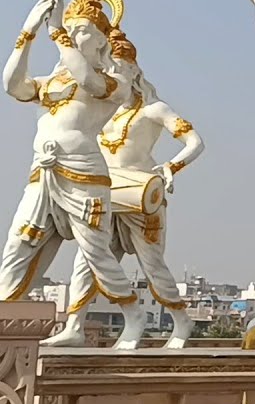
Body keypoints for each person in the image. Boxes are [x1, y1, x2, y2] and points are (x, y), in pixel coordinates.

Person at [0, 0, 146, 349]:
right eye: (72, 28)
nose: (74, 35)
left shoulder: (113, 81)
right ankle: (6, 312)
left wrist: (56, 32)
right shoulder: (56, 80)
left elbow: (87, 79)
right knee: (18, 244)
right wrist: (28, 31)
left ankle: (133, 313)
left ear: (101, 42)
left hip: (83, 176)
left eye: (83, 30)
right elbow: (13, 86)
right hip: (44, 173)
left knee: (96, 255)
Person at [42, 32, 203, 348]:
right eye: (107, 68)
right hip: (104, 192)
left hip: (141, 196)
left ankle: (181, 322)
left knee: (151, 265)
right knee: (87, 260)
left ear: (133, 70)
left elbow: (195, 142)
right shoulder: (100, 108)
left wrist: (172, 166)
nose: (112, 74)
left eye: (118, 68)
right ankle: (75, 325)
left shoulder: (153, 109)